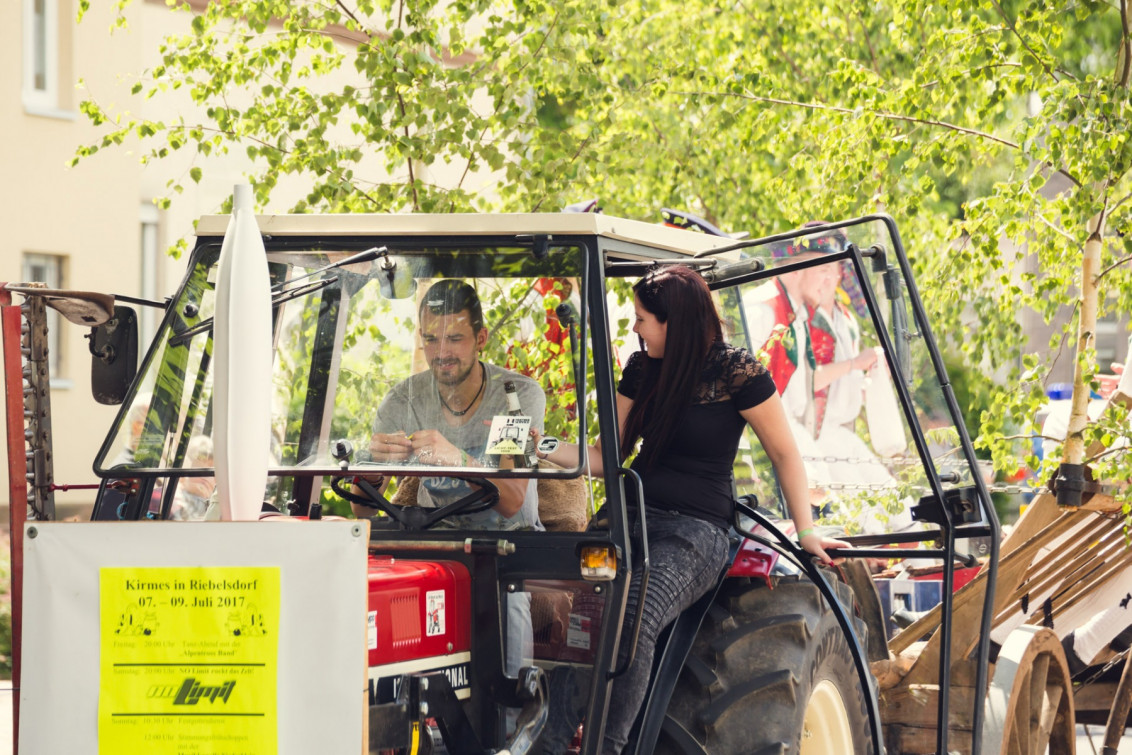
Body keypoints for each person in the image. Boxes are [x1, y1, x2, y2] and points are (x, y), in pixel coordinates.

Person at [537, 265, 846, 754]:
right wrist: (539, 444)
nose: (635, 328)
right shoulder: (642, 370)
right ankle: (548, 745)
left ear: (673, 322)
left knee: (636, 610)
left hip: (695, 533)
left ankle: (608, 747)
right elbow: (605, 458)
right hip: (629, 519)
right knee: (574, 613)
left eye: (642, 319)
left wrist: (806, 530)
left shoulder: (736, 370)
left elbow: (785, 454)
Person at [355, 279, 546, 675]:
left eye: (455, 339)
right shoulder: (403, 399)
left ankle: (510, 724)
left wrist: (455, 458)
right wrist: (371, 473)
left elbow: (511, 500)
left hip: (504, 556)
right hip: (431, 550)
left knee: (507, 678)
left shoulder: (516, 397)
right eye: (431, 339)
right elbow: (361, 509)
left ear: (481, 338)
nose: (441, 353)